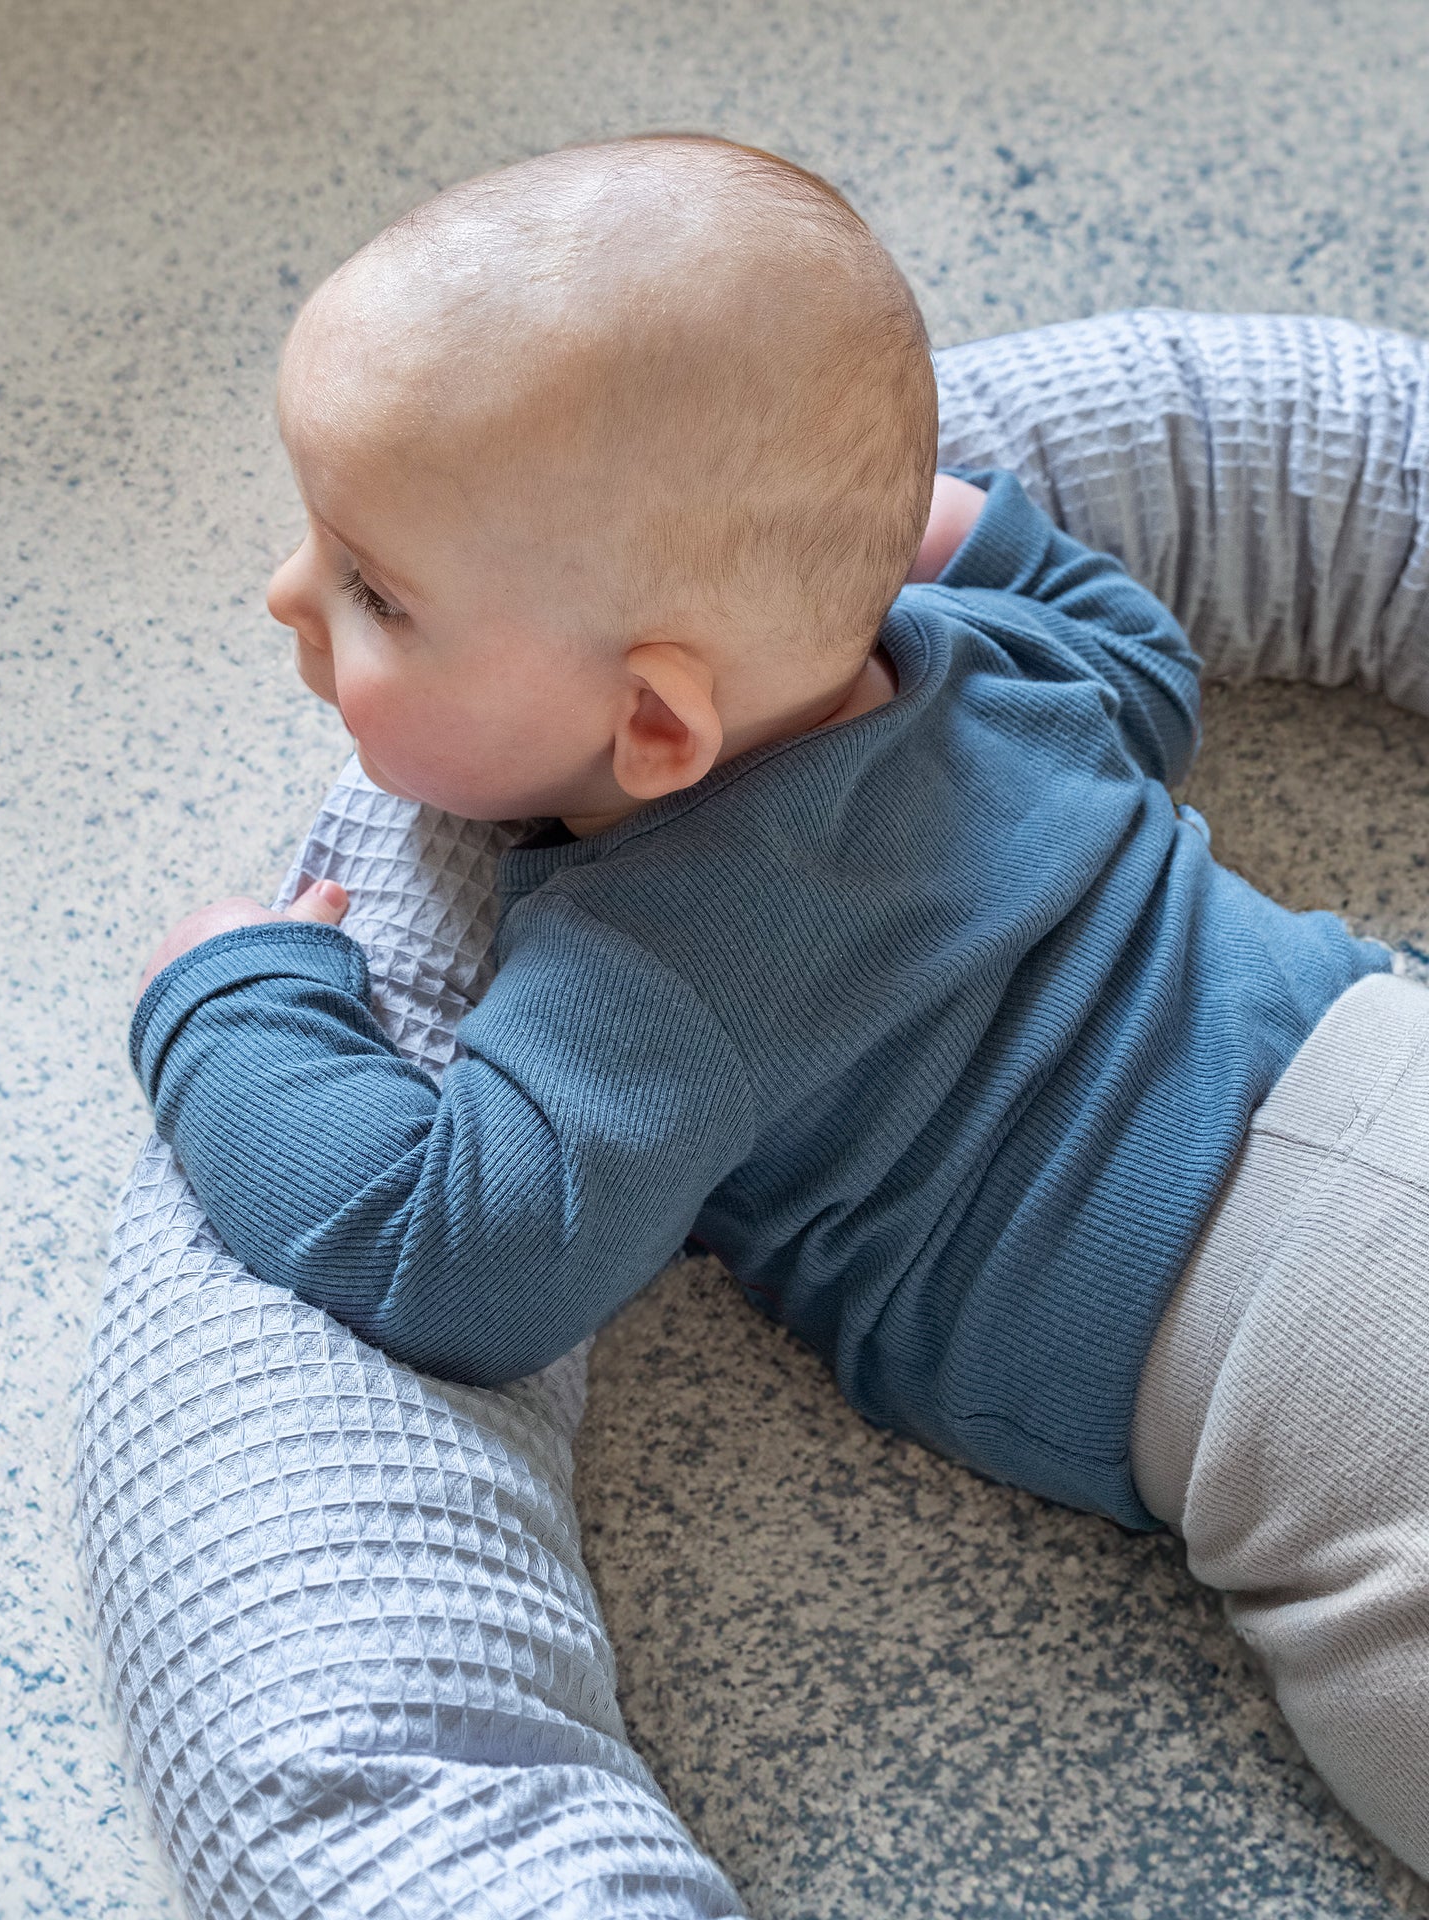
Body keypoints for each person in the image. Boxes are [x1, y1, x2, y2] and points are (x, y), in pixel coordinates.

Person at [129, 135, 1429, 1878]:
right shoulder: (990, 664)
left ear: (658, 731)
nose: (287, 598)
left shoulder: (654, 966)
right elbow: (1146, 665)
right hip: (1374, 1061)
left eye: (375, 592)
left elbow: (445, 1247)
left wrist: (230, 999)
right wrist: (990, 542)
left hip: (1296, 1363)